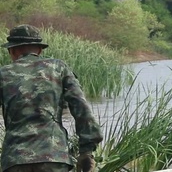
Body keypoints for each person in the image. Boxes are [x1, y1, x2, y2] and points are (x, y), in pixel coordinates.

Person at [0, 24, 103, 172]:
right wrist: (86, 150)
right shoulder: (58, 67)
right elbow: (80, 106)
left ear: (12, 50)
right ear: (40, 50)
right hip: (54, 156)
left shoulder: (3, 74)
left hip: (15, 160)